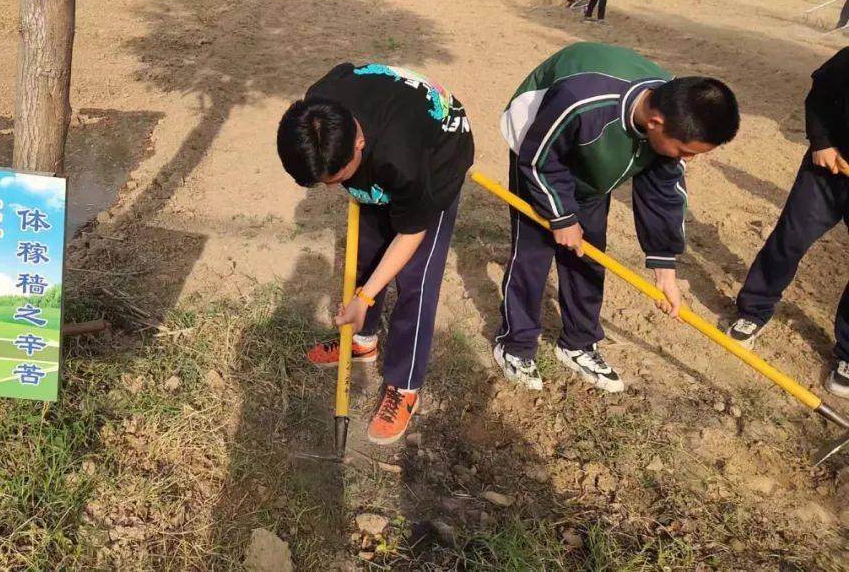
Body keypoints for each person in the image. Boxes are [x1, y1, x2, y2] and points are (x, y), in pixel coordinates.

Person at [495, 42, 739, 392]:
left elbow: (663, 193)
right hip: (539, 148)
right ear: (655, 123)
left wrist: (665, 269)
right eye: (686, 152)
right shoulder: (580, 100)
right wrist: (562, 217)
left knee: (589, 253)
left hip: (595, 162)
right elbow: (538, 161)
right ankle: (515, 344)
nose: (690, 159)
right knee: (532, 255)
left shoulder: (674, 113)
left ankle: (578, 343)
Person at [277, 64, 474, 444]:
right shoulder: (318, 108)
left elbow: (411, 233)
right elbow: (348, 69)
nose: (329, 187)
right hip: (387, 141)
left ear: (359, 145)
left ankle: (404, 384)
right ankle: (363, 341)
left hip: (438, 153)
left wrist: (365, 297)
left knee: (416, 279)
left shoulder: (403, 159)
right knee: (368, 253)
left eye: (333, 179)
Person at [726, 48, 849, 397]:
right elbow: (821, 92)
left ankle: (848, 353)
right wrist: (822, 142)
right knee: (790, 239)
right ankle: (754, 309)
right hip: (829, 168)